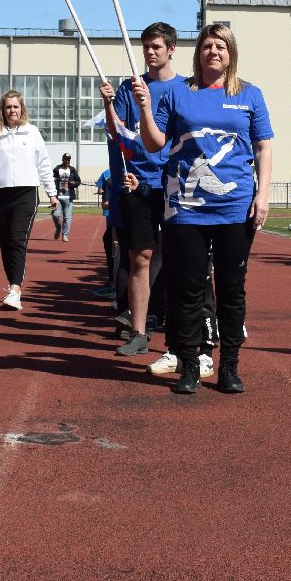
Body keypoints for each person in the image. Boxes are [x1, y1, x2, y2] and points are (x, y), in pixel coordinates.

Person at [134, 22, 273, 396]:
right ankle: (190, 365)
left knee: (231, 289)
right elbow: (154, 143)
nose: (214, 52)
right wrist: (146, 109)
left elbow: (263, 146)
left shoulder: (250, 95)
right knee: (188, 290)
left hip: (234, 206)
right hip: (187, 209)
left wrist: (262, 195)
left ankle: (229, 366)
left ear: (231, 53)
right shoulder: (178, 93)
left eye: (221, 46)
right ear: (198, 51)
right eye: (207, 45)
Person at [100, 21, 183, 358]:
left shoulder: (184, 89)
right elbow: (115, 128)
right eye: (146, 46)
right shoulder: (128, 88)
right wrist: (107, 103)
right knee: (140, 258)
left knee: (182, 257)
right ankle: (137, 331)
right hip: (137, 183)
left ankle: (187, 327)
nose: (150, 52)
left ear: (171, 49)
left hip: (174, 184)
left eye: (156, 47)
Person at [0, 90, 56, 311]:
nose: (12, 110)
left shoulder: (32, 132)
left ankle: (15, 290)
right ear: (3, 110)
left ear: (22, 109)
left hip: (26, 193)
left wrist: (52, 192)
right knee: (5, 241)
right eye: (9, 107)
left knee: (17, 239)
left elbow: (44, 163)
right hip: (0, 194)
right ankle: (12, 285)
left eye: (16, 106)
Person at [52, 153, 80, 241]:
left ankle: (65, 234)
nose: (67, 161)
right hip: (58, 198)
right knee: (55, 215)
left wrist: (73, 184)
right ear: (63, 159)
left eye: (69, 159)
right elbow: (50, 180)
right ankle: (58, 228)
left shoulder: (72, 170)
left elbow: (78, 181)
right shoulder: (57, 169)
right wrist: (54, 179)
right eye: (66, 159)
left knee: (67, 218)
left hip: (68, 197)